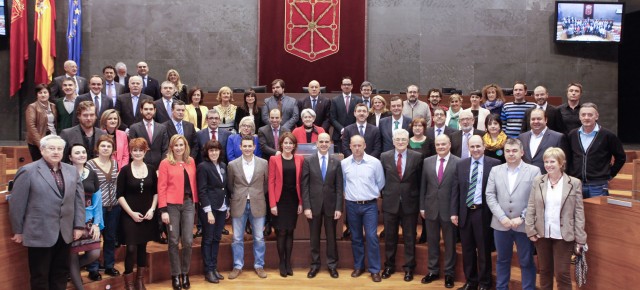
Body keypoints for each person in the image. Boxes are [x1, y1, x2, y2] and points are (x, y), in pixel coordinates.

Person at [9, 135, 85, 290]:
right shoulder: (27, 171)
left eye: (59, 149)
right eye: (51, 148)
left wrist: (78, 225)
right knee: (40, 276)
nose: (56, 152)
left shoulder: (71, 170)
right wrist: (18, 230)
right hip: (39, 232)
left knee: (61, 273)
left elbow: (79, 200)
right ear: (42, 150)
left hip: (65, 232)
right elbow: (17, 204)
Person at [525, 147, 587, 290]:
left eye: (552, 161)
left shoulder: (574, 183)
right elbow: (531, 206)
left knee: (562, 273)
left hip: (564, 236)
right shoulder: (538, 181)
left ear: (561, 163)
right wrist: (530, 229)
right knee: (545, 271)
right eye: (546, 161)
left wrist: (580, 238)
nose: (548, 165)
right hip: (542, 234)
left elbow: (579, 212)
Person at [485, 138, 540, 290]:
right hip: (500, 225)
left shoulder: (534, 171)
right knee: (502, 260)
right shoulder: (496, 170)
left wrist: (522, 217)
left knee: (526, 261)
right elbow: (490, 195)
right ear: (504, 153)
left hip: (523, 225)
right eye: (508, 151)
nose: (511, 154)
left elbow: (536, 198)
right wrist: (502, 217)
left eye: (515, 151)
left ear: (522, 152)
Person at [450, 135, 501, 290]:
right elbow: (455, 190)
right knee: (467, 249)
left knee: (484, 250)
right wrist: (454, 212)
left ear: (484, 146)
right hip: (465, 212)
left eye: (478, 146)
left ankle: (485, 284)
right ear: (468, 148)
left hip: (483, 213)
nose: (475, 149)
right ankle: (471, 282)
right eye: (472, 147)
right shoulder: (461, 164)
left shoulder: (495, 164)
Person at [379, 129, 423, 282]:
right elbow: (382, 179)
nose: (400, 142)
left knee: (409, 237)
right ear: (393, 141)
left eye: (403, 139)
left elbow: (419, 182)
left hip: (410, 203)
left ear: (408, 140)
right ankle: (389, 266)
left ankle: (409, 268)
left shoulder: (417, 157)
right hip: (390, 203)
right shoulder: (384, 157)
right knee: (390, 237)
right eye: (398, 139)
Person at [342, 135, 386, 282]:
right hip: (352, 205)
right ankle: (359, 266)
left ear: (365, 145)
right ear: (350, 146)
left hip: (369, 206)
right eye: (354, 145)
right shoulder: (344, 164)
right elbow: (342, 184)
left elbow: (380, 182)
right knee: (356, 237)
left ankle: (374, 270)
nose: (357, 148)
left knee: (372, 237)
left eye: (359, 145)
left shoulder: (375, 163)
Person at [117, 138, 159, 290]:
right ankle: (128, 281)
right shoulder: (125, 170)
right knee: (131, 248)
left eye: (141, 150)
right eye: (135, 150)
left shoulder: (151, 168)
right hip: (130, 214)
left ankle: (139, 281)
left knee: (142, 247)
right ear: (130, 151)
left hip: (147, 214)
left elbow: (155, 192)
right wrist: (131, 213)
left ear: (145, 151)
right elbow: (119, 195)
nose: (138, 153)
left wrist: (152, 209)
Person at [158, 135, 198, 290]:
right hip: (171, 206)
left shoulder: (191, 161)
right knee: (173, 241)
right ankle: (175, 275)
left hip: (188, 204)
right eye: (176, 145)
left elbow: (194, 183)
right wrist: (163, 210)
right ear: (171, 147)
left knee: (188, 240)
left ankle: (185, 273)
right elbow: (161, 187)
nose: (179, 148)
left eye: (181, 145)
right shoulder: (165, 163)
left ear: (185, 146)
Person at [227, 135, 270, 280]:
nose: (247, 148)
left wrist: (255, 194)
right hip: (239, 203)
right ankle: (237, 266)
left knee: (259, 237)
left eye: (249, 146)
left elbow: (265, 185)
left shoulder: (264, 163)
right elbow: (230, 185)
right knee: (237, 238)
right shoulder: (232, 165)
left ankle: (259, 265)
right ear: (240, 147)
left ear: (254, 147)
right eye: (244, 146)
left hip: (258, 203)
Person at [301, 133, 343, 279]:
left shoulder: (336, 162)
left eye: (326, 141)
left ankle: (332, 265)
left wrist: (339, 207)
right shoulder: (308, 161)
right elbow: (304, 186)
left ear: (330, 143)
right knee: (314, 238)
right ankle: (314, 265)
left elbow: (339, 187)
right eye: (321, 142)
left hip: (331, 206)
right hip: (313, 206)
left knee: (331, 237)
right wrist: (306, 206)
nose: (324, 144)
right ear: (316, 144)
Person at [420, 134, 459, 288]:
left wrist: (456, 210)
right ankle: (433, 271)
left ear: (449, 144)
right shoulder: (427, 161)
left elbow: (459, 190)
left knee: (450, 243)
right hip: (430, 208)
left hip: (449, 211)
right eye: (438, 144)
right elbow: (424, 185)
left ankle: (449, 274)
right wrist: (422, 206)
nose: (441, 147)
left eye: (444, 144)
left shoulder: (459, 162)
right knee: (432, 242)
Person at [567, 103, 625, 198]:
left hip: (598, 186)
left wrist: (610, 174)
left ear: (597, 116)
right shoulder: (572, 135)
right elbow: (568, 157)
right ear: (579, 117)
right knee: (577, 212)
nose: (586, 117)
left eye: (590, 115)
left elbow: (621, 157)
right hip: (576, 184)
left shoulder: (608, 135)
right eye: (583, 114)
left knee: (597, 213)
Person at [85, 136, 122, 280]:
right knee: (95, 238)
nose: (106, 148)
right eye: (103, 146)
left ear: (113, 149)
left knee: (111, 238)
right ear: (97, 148)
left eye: (108, 146)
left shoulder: (115, 163)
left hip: (113, 207)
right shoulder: (90, 164)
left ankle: (109, 265)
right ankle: (93, 268)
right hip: (97, 208)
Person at [268, 132, 304, 277]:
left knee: (290, 232)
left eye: (291, 143)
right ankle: (281, 262)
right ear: (281, 144)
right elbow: (270, 182)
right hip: (279, 200)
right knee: (281, 232)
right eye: (285, 143)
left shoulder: (300, 159)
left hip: (293, 199)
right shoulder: (274, 159)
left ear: (294, 145)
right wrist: (272, 204)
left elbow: (300, 182)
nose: (288, 145)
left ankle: (288, 262)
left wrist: (301, 202)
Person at [67, 144, 104, 287]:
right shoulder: (65, 173)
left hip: (89, 220)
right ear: (70, 157)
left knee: (94, 253)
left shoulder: (92, 173)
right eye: (77, 153)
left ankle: (67, 270)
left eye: (83, 152)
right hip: (70, 220)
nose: (82, 155)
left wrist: (96, 224)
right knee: (72, 257)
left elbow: (98, 200)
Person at [197, 140, 230, 283]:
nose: (214, 153)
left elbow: (225, 188)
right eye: (211, 150)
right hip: (209, 209)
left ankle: (214, 267)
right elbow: (202, 191)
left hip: (222, 207)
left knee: (217, 238)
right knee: (208, 239)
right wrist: (208, 211)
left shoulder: (223, 166)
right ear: (207, 152)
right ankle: (208, 270)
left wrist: (227, 206)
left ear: (220, 151)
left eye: (216, 150)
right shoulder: (203, 167)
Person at [518, 108, 568, 174]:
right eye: (533, 119)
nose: (536, 121)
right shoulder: (522, 137)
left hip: (548, 180)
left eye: (539, 119)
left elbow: (563, 163)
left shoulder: (558, 137)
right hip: (525, 179)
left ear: (546, 120)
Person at [128, 99, 170, 169]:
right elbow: (132, 149)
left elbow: (165, 148)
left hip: (159, 166)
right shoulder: (134, 128)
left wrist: (162, 166)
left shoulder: (162, 128)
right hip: (140, 165)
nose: (148, 111)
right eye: (146, 109)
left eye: (151, 109)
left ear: (155, 110)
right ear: (141, 110)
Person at [330, 77, 362, 153]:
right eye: (344, 84)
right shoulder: (335, 100)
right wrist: (342, 130)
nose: (346, 86)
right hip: (338, 136)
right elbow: (332, 118)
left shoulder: (358, 100)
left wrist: (350, 130)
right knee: (339, 159)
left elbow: (360, 117)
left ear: (352, 86)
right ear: (341, 86)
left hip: (354, 135)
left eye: (348, 84)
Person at [26, 84, 57, 160]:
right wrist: (40, 144)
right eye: (40, 93)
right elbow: (31, 126)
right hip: (38, 143)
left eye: (45, 92)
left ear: (49, 94)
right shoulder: (32, 107)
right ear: (37, 95)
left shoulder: (53, 106)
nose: (43, 95)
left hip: (53, 139)